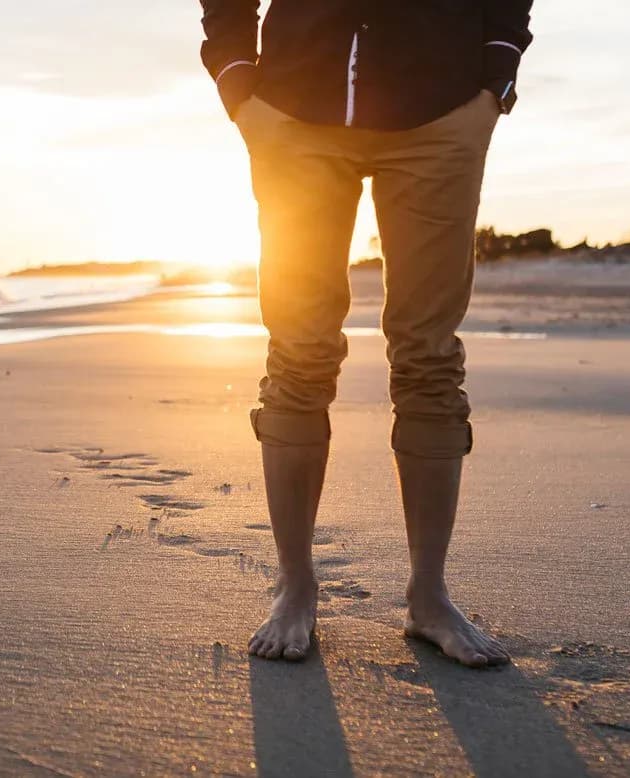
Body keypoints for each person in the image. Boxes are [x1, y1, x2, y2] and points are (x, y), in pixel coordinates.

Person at [199, 1, 533, 667]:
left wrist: (496, 78)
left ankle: (429, 596)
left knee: (430, 355)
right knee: (297, 350)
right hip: (294, 109)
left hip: (443, 108)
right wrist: (237, 79)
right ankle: (295, 586)